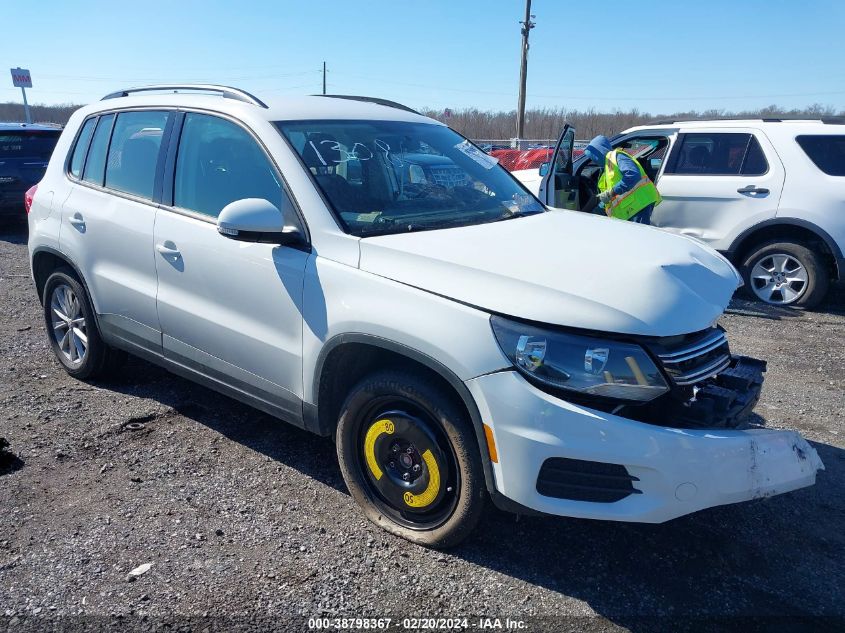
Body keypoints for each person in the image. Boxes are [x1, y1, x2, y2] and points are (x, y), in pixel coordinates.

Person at [583, 135, 661, 225]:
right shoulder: (606, 169)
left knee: (639, 236)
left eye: (593, 156)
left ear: (600, 151)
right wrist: (600, 207)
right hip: (632, 208)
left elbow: (632, 175)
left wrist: (611, 193)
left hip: (640, 204)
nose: (593, 160)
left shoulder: (617, 156)